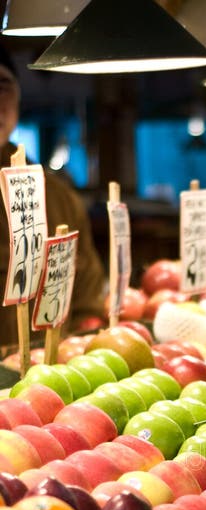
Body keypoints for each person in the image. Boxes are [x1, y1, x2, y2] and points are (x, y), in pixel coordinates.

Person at [0, 43, 106, 354]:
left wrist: (83, 346)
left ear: (18, 99)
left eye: (2, 86)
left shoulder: (57, 195)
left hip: (49, 375)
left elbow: (88, 296)